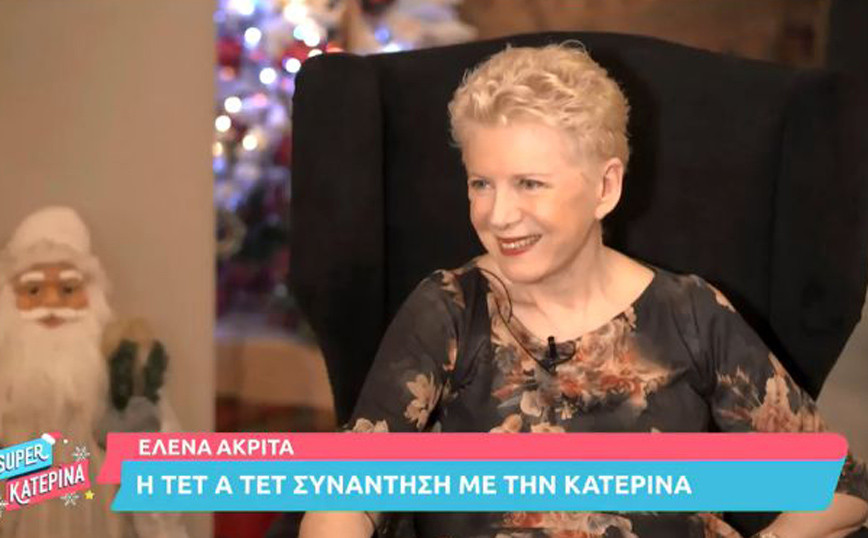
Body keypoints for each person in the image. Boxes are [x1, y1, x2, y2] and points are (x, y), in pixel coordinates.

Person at [299, 44, 868, 537]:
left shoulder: (690, 316)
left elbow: (843, 490)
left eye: (530, 183)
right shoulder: (450, 309)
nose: (498, 215)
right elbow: (347, 495)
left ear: (605, 187)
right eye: (481, 183)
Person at [0, 206, 187, 538]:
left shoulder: (122, 368)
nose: (51, 303)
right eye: (34, 290)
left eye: (68, 289)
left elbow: (161, 477)